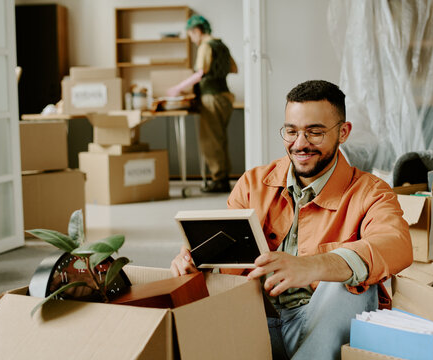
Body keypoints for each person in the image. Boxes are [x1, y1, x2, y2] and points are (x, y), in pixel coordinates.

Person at [170, 80, 413, 359]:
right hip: (256, 319)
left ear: (343, 132)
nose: (300, 144)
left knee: (350, 286)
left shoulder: (371, 191)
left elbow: (397, 244)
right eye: (291, 131)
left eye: (315, 133)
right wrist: (193, 264)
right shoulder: (252, 183)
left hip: (320, 321)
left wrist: (314, 267)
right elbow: (223, 262)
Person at [167, 14, 238, 193]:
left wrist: (178, 87)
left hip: (211, 97)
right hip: (226, 97)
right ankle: (223, 177)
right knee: (220, 138)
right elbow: (234, 69)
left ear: (197, 31)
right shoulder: (222, 45)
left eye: (191, 35)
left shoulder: (206, 46)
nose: (192, 39)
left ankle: (219, 179)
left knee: (210, 141)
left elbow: (200, 73)